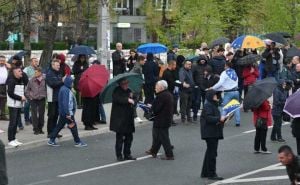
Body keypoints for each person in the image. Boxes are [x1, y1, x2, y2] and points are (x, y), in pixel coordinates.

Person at [48, 76, 87, 147]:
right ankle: (77, 142)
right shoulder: (66, 90)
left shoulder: (63, 88)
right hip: (67, 113)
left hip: (63, 113)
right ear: (69, 82)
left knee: (59, 126)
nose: (73, 83)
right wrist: (68, 114)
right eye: (72, 82)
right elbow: (65, 103)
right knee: (73, 127)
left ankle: (51, 139)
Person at [145, 80, 174, 160]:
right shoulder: (167, 94)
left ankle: (169, 155)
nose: (155, 88)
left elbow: (157, 108)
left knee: (164, 138)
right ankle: (153, 151)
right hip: (165, 119)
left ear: (161, 87)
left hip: (162, 120)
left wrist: (151, 107)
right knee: (157, 136)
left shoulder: (161, 96)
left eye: (156, 87)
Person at [200, 90, 225, 180]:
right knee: (212, 153)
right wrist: (219, 118)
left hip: (212, 132)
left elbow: (215, 119)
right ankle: (211, 173)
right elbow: (209, 118)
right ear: (211, 96)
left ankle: (205, 172)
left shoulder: (212, 105)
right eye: (215, 95)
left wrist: (224, 119)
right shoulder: (208, 106)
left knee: (209, 152)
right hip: (210, 133)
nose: (217, 97)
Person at [110, 78, 136, 161]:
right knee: (120, 138)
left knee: (129, 138)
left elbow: (135, 100)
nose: (126, 85)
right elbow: (117, 99)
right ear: (120, 84)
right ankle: (119, 155)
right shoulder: (116, 91)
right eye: (124, 83)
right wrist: (127, 100)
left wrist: (133, 98)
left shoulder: (129, 90)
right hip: (119, 119)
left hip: (128, 118)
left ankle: (127, 154)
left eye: (127, 83)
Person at [209, 61, 241, 127]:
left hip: (228, 92)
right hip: (236, 91)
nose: (224, 67)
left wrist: (213, 88)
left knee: (225, 107)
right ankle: (238, 122)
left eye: (224, 66)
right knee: (236, 107)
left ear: (226, 66)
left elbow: (220, 83)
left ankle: (221, 121)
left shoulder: (224, 72)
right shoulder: (234, 72)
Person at [6, 67, 28, 147]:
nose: (21, 72)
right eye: (19, 71)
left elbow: (24, 86)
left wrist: (23, 97)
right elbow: (10, 93)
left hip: (18, 104)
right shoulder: (11, 81)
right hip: (13, 105)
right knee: (12, 122)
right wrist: (20, 98)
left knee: (15, 123)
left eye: (21, 71)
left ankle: (14, 138)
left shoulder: (20, 80)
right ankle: (10, 139)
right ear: (15, 72)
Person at [25, 67, 46, 135]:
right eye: (35, 72)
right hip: (33, 99)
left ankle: (40, 128)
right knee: (34, 114)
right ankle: (35, 129)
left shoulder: (44, 79)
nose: (35, 73)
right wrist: (29, 97)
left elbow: (47, 88)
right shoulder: (31, 80)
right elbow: (27, 90)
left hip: (42, 99)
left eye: (36, 72)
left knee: (41, 114)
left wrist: (45, 95)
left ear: (40, 72)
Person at [46, 59, 64, 138]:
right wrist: (62, 81)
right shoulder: (49, 73)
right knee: (51, 115)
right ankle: (50, 132)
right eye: (57, 65)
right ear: (52, 65)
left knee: (56, 115)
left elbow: (59, 83)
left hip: (58, 97)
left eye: (59, 65)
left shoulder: (59, 73)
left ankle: (55, 131)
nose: (58, 67)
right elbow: (52, 84)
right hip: (52, 97)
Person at [161, 60, 178, 125]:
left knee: (170, 106)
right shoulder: (167, 73)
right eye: (175, 65)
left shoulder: (171, 72)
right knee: (169, 106)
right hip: (168, 91)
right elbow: (172, 82)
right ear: (171, 65)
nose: (175, 66)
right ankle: (169, 120)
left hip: (170, 91)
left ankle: (170, 120)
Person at [23, 57, 39, 125]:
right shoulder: (26, 69)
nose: (36, 63)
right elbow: (23, 77)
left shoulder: (38, 69)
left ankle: (31, 119)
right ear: (31, 62)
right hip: (28, 90)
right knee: (27, 105)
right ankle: (26, 119)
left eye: (37, 61)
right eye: (35, 61)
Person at [130, 55, 146, 123]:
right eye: (144, 61)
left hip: (135, 86)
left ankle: (133, 116)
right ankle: (135, 116)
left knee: (134, 102)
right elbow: (135, 77)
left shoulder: (137, 66)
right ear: (140, 60)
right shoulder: (137, 68)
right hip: (135, 87)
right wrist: (142, 81)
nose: (144, 62)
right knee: (134, 102)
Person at [192, 55, 208, 121]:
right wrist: (194, 84)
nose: (203, 61)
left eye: (204, 60)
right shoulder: (195, 67)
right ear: (199, 60)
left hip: (205, 86)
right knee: (197, 101)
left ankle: (205, 115)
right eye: (201, 59)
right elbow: (192, 76)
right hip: (198, 86)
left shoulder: (208, 67)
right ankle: (195, 114)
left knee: (205, 101)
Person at [0, 56, 9, 120]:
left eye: (3, 60)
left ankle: (3, 115)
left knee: (4, 100)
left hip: (4, 86)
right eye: (1, 60)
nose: (2, 62)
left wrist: (8, 65)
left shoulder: (7, 67)